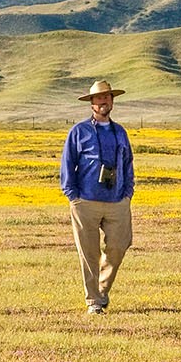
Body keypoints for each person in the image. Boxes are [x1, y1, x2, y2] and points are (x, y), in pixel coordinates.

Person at [60, 79, 134, 314]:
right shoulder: (79, 131)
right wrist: (73, 196)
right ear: (91, 102)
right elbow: (67, 163)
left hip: (117, 201)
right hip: (86, 200)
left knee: (119, 246)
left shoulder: (120, 131)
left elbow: (128, 163)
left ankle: (101, 289)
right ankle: (94, 301)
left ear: (112, 101)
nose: (104, 101)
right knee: (89, 253)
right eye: (99, 98)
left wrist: (128, 193)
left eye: (107, 97)